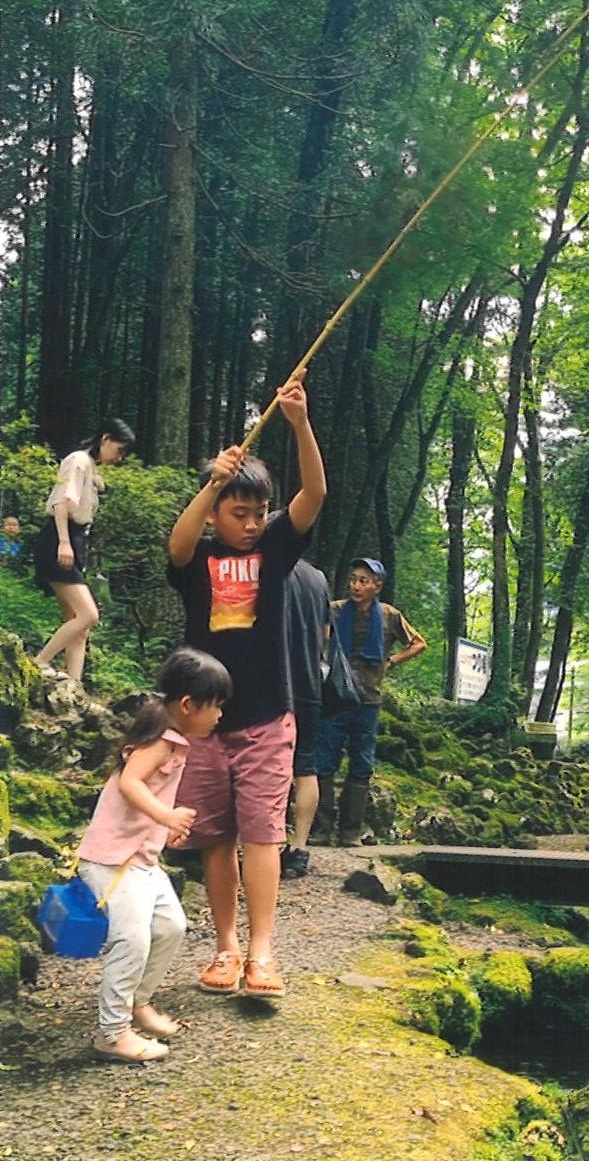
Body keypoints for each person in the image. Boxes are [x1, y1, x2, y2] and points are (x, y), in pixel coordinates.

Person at [166, 375, 325, 998]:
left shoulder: (280, 548)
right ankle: (225, 949)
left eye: (260, 512)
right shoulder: (199, 558)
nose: (253, 523)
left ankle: (262, 953)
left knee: (263, 835)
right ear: (217, 511)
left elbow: (315, 490)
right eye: (240, 512)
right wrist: (210, 486)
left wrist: (300, 423)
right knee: (216, 839)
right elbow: (177, 544)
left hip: (266, 717)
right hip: (205, 723)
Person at [77, 647, 232, 1063]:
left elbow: (145, 797)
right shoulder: (161, 741)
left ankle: (136, 1002)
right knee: (132, 938)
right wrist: (166, 814)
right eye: (215, 706)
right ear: (187, 705)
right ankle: (112, 1032)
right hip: (113, 861)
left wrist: (164, 830)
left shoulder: (175, 741)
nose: (219, 715)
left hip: (141, 860)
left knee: (171, 927)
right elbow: (131, 783)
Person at [319, 557, 426, 847]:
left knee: (361, 762)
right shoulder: (336, 610)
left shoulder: (389, 615)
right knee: (325, 759)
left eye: (363, 581)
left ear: (377, 586)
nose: (356, 585)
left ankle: (350, 832)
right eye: (353, 579)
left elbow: (418, 643)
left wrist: (391, 661)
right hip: (335, 697)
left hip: (369, 698)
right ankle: (321, 829)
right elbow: (319, 637)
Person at [33, 418, 135, 681]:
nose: (119, 457)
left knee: (78, 623)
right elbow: (61, 503)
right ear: (106, 439)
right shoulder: (78, 461)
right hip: (59, 538)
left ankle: (74, 685)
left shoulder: (88, 467)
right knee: (89, 615)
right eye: (119, 449)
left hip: (74, 540)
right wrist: (64, 543)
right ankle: (39, 662)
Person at [279, 559, 330, 880]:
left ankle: (267, 844)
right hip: (310, 682)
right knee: (305, 765)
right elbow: (326, 631)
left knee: (270, 761)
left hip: (272, 682)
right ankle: (299, 847)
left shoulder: (268, 566)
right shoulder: (318, 577)